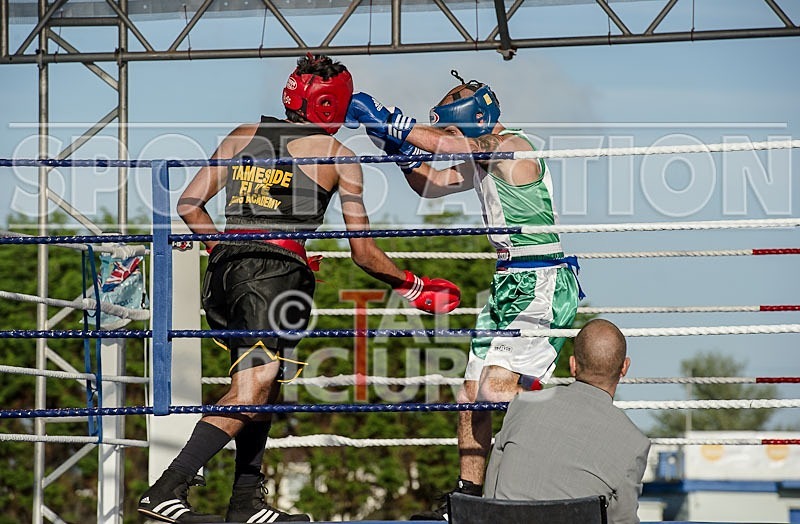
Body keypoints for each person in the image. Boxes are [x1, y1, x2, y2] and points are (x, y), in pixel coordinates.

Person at [137, 54, 461, 523]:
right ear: (334, 106)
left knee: (265, 385)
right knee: (255, 385)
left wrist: (233, 250)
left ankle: (245, 502)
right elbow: (363, 253)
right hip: (272, 278)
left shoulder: (241, 134)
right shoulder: (337, 158)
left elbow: (190, 205)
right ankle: (167, 489)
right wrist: (412, 286)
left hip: (227, 273)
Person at [345, 71, 581, 520]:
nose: (446, 112)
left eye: (454, 102)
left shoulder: (510, 145)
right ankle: (467, 496)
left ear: (477, 111)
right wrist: (398, 149)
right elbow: (430, 185)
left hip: (541, 279)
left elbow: (452, 147)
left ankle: (573, 411)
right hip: (506, 280)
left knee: (494, 387)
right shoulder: (479, 158)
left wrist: (392, 120)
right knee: (471, 391)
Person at [484, 319, 651, 524]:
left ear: (573, 364)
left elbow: (490, 496)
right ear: (624, 367)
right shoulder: (634, 444)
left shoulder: (522, 404)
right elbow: (622, 520)